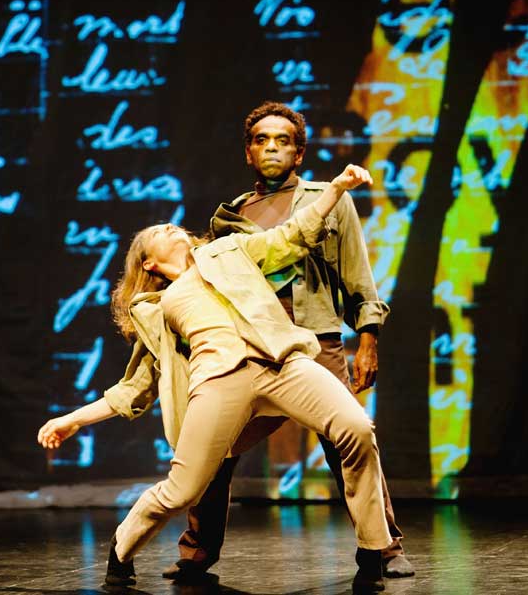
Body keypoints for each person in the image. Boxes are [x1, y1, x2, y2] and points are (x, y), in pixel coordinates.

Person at [38, 164, 392, 592]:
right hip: (218, 383)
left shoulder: (230, 251)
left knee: (356, 428)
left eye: (172, 225)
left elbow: (291, 235)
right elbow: (134, 388)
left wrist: (336, 188)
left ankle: (372, 548)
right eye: (159, 232)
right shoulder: (156, 306)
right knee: (183, 490)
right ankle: (122, 546)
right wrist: (72, 420)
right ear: (149, 262)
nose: (170, 227)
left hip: (280, 362)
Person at [163, 101, 413, 583]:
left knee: (349, 442)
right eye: (262, 140)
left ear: (299, 154)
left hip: (316, 343)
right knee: (214, 449)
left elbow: (358, 276)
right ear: (249, 152)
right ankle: (196, 553)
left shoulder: (329, 199)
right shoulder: (231, 216)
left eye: (283, 140)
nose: (272, 148)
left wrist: (368, 341)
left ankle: (385, 549)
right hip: (249, 349)